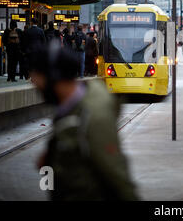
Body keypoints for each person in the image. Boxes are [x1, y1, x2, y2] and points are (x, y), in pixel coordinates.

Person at [29, 43, 138, 201]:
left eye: (37, 79)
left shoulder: (95, 116)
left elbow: (117, 175)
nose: (34, 83)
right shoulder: (68, 108)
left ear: (54, 76)